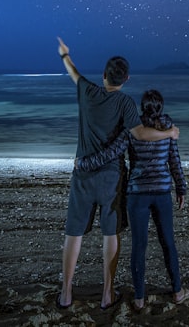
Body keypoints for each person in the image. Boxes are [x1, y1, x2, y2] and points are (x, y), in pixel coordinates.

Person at [56, 37, 179, 311]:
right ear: (126, 79)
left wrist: (65, 55)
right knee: (110, 234)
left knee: (74, 233)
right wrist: (168, 133)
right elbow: (140, 134)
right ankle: (107, 294)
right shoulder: (125, 103)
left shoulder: (87, 91)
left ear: (103, 76)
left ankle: (66, 293)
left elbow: (73, 73)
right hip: (111, 179)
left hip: (83, 176)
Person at [76, 88, 189, 310]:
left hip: (137, 194)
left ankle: (139, 298)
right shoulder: (168, 129)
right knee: (168, 243)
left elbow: (110, 153)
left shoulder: (133, 130)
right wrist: (181, 188)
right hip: (161, 193)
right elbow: (174, 160)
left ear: (142, 107)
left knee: (139, 246)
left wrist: (83, 163)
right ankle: (177, 291)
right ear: (161, 107)